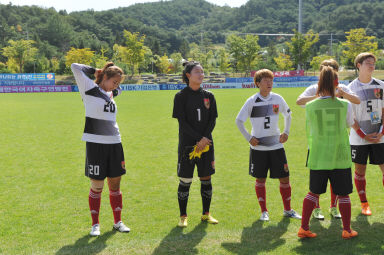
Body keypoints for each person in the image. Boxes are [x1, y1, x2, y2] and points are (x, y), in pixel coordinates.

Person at [298, 66, 357, 239]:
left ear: (319, 84)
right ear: (336, 83)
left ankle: (303, 228)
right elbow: (348, 123)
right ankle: (346, 230)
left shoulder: (311, 106)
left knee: (313, 193)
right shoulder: (345, 104)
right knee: (343, 193)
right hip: (340, 154)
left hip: (318, 155)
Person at [71, 62, 130, 236]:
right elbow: (75, 67)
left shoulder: (112, 93)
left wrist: (115, 87)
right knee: (97, 186)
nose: (116, 86)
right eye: (114, 82)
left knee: (115, 185)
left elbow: (119, 90)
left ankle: (118, 222)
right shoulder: (89, 88)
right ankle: (95, 225)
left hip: (115, 143)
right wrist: (95, 71)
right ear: (105, 77)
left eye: (118, 83)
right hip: (96, 144)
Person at [236, 69, 301, 221]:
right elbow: (239, 121)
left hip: (277, 146)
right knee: (260, 179)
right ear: (258, 83)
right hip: (258, 148)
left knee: (285, 178)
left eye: (271, 80)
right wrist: (248, 137)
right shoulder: (252, 101)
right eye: (265, 80)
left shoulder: (278, 98)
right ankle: (264, 211)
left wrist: (286, 132)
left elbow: (288, 114)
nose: (269, 83)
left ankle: (288, 209)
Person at [172, 61, 219, 227]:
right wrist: (199, 139)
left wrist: (204, 138)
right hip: (187, 146)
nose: (201, 74)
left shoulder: (209, 96)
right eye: (197, 72)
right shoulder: (180, 96)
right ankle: (183, 216)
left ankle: (206, 214)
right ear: (188, 75)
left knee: (206, 178)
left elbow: (212, 120)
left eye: (202, 71)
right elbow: (182, 123)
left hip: (206, 145)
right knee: (185, 180)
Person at [348, 52, 384, 216]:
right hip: (359, 138)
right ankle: (364, 204)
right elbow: (350, 118)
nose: (372, 65)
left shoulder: (380, 85)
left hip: (380, 136)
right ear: (358, 65)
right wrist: (363, 135)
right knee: (360, 171)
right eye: (368, 62)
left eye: (373, 63)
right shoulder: (350, 89)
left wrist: (381, 132)